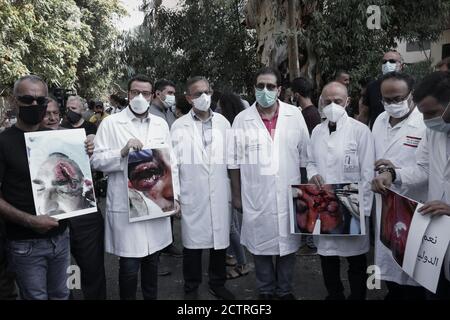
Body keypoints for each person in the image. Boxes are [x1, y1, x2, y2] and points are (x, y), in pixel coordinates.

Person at [0, 75, 91, 300]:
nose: (34, 105)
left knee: (62, 294)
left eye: (40, 100)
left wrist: (88, 147)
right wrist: (30, 220)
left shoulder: (56, 140)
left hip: (61, 238)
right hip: (24, 243)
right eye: (27, 99)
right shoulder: (4, 142)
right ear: (14, 101)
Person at [91, 74, 180, 300]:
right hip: (126, 206)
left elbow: (171, 163)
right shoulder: (111, 124)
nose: (140, 97)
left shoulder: (160, 124)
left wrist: (174, 196)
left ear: (152, 96)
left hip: (156, 203)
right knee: (129, 267)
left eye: (145, 93)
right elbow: (96, 162)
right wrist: (121, 152)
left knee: (152, 262)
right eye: (135, 92)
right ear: (128, 94)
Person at [228, 67, 310, 300]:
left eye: (271, 87)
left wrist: (305, 193)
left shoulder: (294, 115)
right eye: (261, 86)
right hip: (256, 193)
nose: (265, 91)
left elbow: (306, 156)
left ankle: (284, 291)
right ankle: (265, 291)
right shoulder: (242, 120)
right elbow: (233, 162)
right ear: (254, 89)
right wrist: (236, 196)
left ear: (279, 90)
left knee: (288, 246)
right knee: (260, 246)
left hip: (289, 193)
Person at [372, 71, 450, 299]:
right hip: (437, 237)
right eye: (423, 114)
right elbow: (423, 169)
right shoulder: (434, 132)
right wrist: (393, 174)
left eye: (433, 113)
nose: (426, 121)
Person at [307, 82, 375, 300]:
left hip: (352, 205)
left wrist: (361, 212)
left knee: (356, 260)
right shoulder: (317, 131)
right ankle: (334, 295)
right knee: (328, 258)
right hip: (324, 203)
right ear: (321, 102)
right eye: (327, 101)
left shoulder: (360, 131)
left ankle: (358, 297)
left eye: (337, 101)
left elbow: (368, 173)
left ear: (347, 101)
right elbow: (310, 161)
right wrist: (312, 174)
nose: (332, 105)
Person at [171, 77, 235, 300]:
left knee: (219, 243)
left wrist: (235, 192)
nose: (203, 97)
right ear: (189, 98)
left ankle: (217, 283)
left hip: (218, 191)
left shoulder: (223, 123)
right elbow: (173, 165)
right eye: (197, 94)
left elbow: (232, 161)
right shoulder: (179, 126)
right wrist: (176, 196)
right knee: (193, 246)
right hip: (192, 192)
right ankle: (191, 287)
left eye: (206, 91)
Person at [371, 72, 427, 300]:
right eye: (387, 99)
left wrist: (394, 173)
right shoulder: (379, 120)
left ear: (411, 94)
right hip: (384, 204)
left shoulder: (425, 123)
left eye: (398, 98)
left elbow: (427, 169)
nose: (392, 104)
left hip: (413, 204)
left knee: (414, 272)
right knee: (388, 264)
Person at [59, 95, 107, 300]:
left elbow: (101, 160)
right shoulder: (55, 131)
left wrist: (94, 144)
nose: (70, 110)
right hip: (59, 208)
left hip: (86, 204)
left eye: (74, 107)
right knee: (62, 268)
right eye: (68, 107)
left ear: (82, 109)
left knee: (91, 264)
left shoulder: (92, 128)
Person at [216, 93, 250, 278]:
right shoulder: (236, 126)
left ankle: (243, 263)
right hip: (231, 181)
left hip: (230, 182)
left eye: (220, 107)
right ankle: (230, 255)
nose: (217, 110)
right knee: (232, 224)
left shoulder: (229, 128)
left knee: (231, 227)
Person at [358, 51, 404, 128]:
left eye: (392, 61)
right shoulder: (372, 87)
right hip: (377, 134)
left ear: (401, 66)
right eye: (384, 62)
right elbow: (364, 114)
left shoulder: (409, 86)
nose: (387, 64)